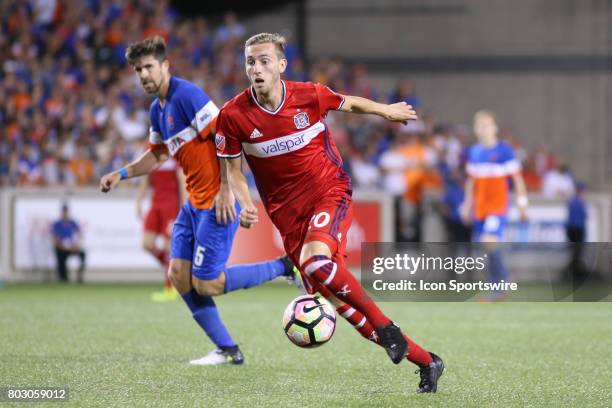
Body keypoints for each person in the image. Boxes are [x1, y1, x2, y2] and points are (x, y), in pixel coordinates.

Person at [216, 32, 444, 393]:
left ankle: (386, 326)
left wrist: (385, 110)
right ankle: (428, 362)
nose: (256, 68)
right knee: (342, 307)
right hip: (287, 217)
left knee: (315, 263)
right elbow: (232, 173)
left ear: (280, 65)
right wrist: (245, 204)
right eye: (250, 62)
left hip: (328, 192)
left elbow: (347, 103)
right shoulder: (232, 116)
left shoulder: (307, 94)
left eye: (264, 61)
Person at [99, 36, 297, 366]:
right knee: (179, 276)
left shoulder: (187, 95)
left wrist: (225, 189)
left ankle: (284, 265)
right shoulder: (157, 110)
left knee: (207, 283)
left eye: (149, 67)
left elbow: (225, 134)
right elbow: (157, 155)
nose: (144, 75)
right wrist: (120, 174)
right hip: (193, 205)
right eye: (138, 70)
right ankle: (227, 349)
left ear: (165, 66)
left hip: (217, 203)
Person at [461, 110, 529, 299]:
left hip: (497, 207)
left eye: (487, 125)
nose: (483, 129)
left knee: (488, 241)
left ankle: (499, 284)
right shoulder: (474, 152)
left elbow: (517, 180)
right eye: (479, 125)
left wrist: (523, 205)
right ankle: (497, 284)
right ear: (475, 129)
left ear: (495, 128)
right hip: (480, 208)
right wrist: (467, 205)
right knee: (484, 246)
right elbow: (471, 181)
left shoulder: (504, 151)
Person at [135, 158, 186, 302]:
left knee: (169, 247)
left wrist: (185, 207)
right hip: (155, 204)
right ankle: (174, 268)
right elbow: (145, 179)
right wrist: (139, 201)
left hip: (171, 206)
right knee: (147, 244)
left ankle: (170, 289)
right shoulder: (151, 153)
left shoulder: (175, 153)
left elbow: (182, 180)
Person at [51, 203, 86, 283]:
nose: (65, 214)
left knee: (82, 254)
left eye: (66, 212)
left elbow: (80, 234)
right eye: (64, 212)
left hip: (71, 246)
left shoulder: (72, 222)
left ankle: (79, 275)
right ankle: (63, 278)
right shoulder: (57, 224)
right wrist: (62, 246)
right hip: (61, 248)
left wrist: (77, 244)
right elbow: (54, 238)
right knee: (60, 258)